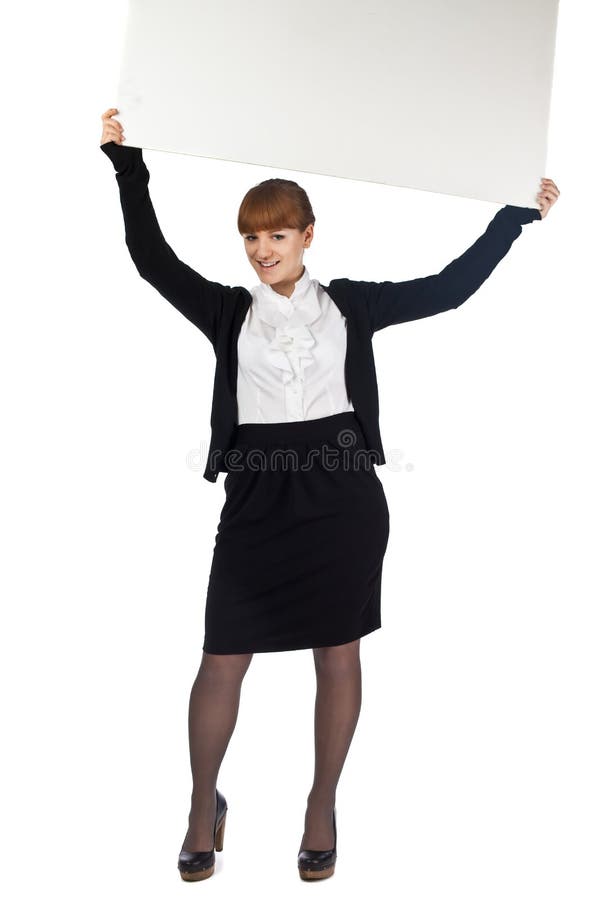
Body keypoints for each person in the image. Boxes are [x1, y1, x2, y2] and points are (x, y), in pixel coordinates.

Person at [99, 107, 560, 882]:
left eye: (277, 234)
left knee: (337, 653)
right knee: (222, 657)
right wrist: (127, 165)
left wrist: (512, 218)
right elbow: (152, 261)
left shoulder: (352, 305)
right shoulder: (227, 313)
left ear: (308, 235)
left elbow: (448, 290)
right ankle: (200, 804)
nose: (262, 249)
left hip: (342, 498)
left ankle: (321, 806)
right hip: (255, 500)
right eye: (250, 236)